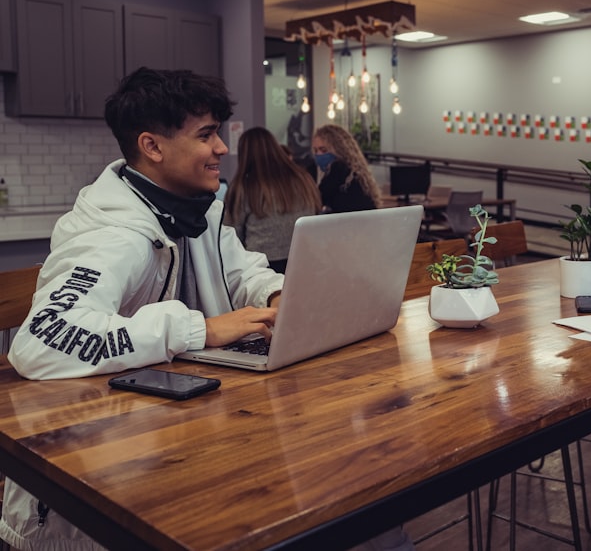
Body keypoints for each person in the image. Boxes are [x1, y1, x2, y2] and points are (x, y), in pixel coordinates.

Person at [0, 67, 285, 549]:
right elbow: (41, 338)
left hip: (181, 447)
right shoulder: (111, 237)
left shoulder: (199, 206)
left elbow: (242, 272)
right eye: (207, 135)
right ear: (152, 146)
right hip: (92, 494)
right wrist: (197, 330)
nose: (222, 148)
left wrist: (275, 295)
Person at [224, 127, 322, 273]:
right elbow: (315, 215)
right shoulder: (303, 178)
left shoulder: (244, 187)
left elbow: (232, 236)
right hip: (304, 260)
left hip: (261, 267)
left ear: (244, 155)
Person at [312, 123, 381, 212]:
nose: (318, 154)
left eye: (324, 150)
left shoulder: (339, 168)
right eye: (315, 150)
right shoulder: (355, 171)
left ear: (338, 149)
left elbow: (317, 199)